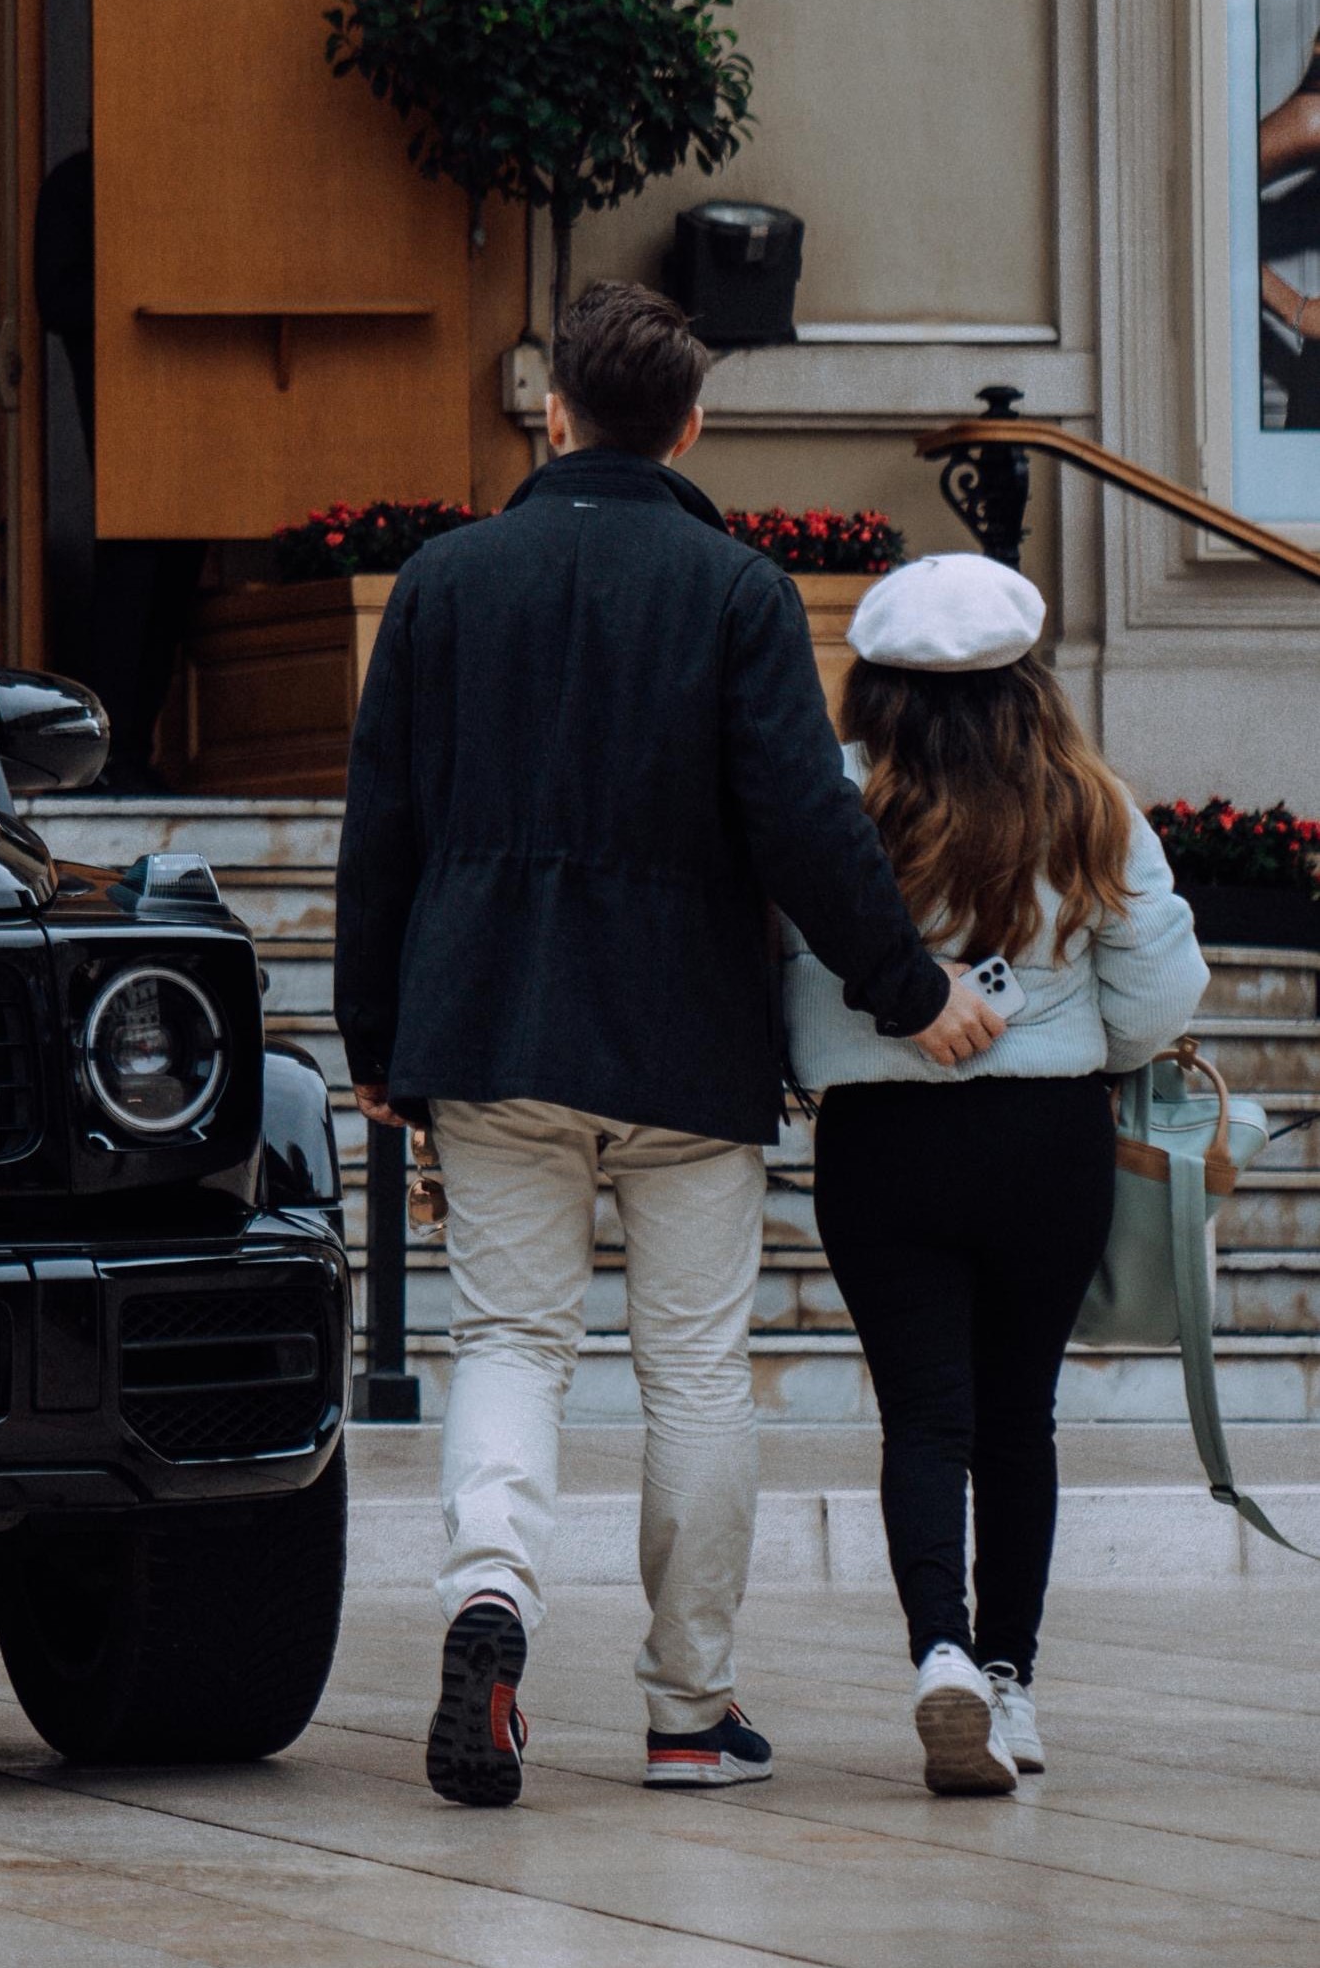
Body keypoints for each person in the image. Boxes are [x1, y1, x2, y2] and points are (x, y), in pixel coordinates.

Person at [337, 278, 1004, 1809]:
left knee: (508, 1340)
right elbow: (807, 828)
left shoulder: (442, 581)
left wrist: (378, 1038)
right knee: (693, 1368)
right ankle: (688, 1710)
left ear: (553, 409)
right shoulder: (736, 588)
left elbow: (382, 830)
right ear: (692, 420)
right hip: (685, 1040)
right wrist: (913, 992)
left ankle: (490, 1603)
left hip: (490, 1021)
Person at [784, 550, 1205, 1796]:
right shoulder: (1085, 798)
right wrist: (1080, 1044)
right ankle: (1012, 1679)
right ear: (1028, 679)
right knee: (1020, 1414)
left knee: (922, 1411)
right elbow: (1159, 986)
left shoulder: (839, 797)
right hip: (1046, 1141)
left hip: (881, 1140)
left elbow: (788, 964)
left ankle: (940, 1652)